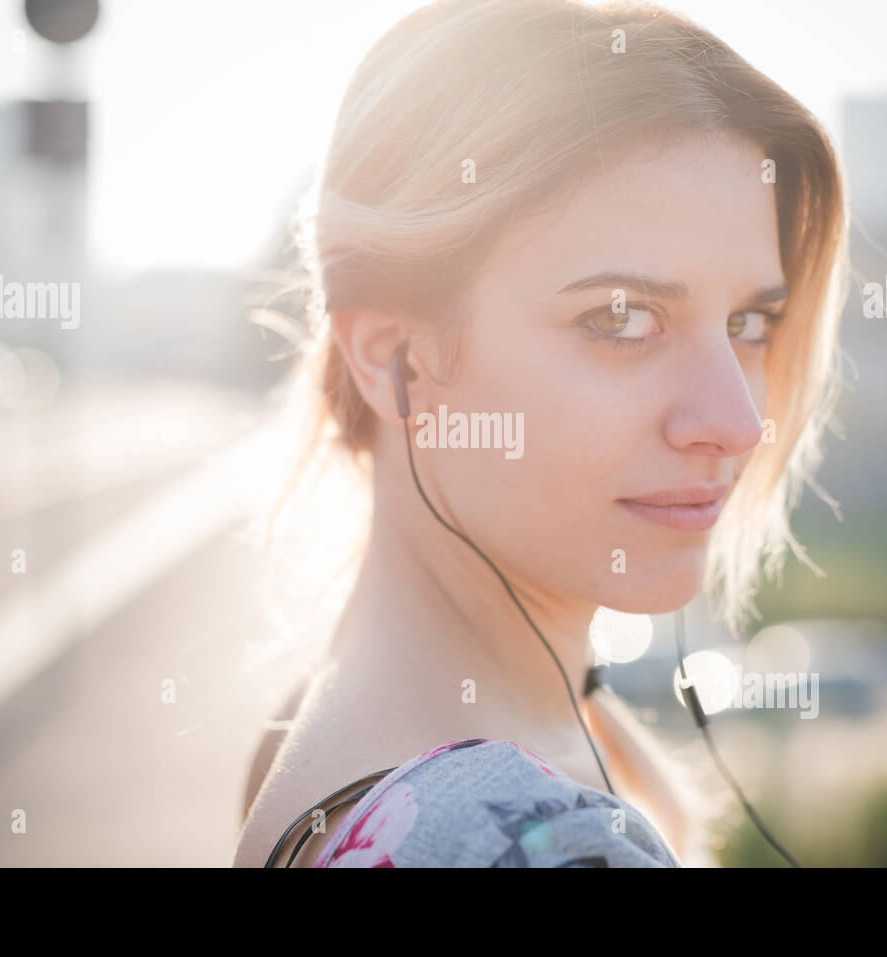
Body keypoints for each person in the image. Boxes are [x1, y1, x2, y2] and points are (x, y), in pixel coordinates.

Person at [233, 0, 848, 867]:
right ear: (392, 356)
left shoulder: (321, 738)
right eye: (621, 318)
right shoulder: (536, 845)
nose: (738, 422)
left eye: (749, 323)